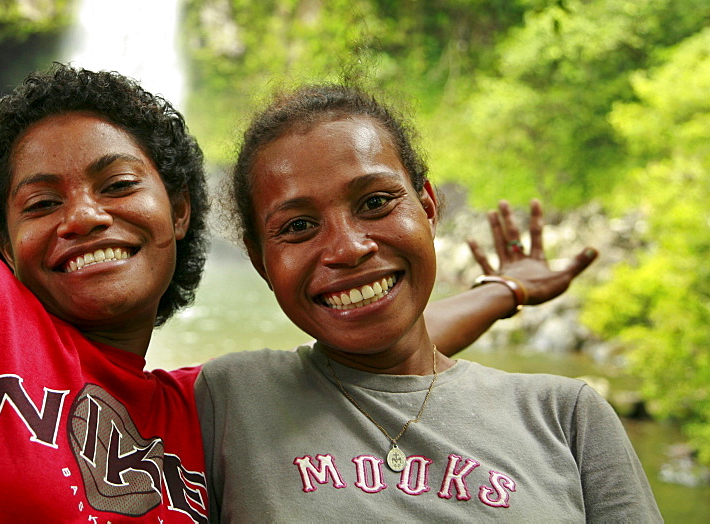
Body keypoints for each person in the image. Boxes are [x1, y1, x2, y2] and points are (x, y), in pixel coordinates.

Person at [0, 65, 592, 522]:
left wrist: (501, 288)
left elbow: (369, 325)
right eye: (40, 203)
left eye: (116, 185)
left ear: (179, 209)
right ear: (7, 245)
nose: (84, 217)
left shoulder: (204, 410)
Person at [195, 83, 662, 522]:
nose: (349, 248)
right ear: (260, 260)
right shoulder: (227, 399)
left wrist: (504, 293)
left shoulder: (565, 415)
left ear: (429, 209)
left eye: (376, 202)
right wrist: (503, 293)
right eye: (298, 226)